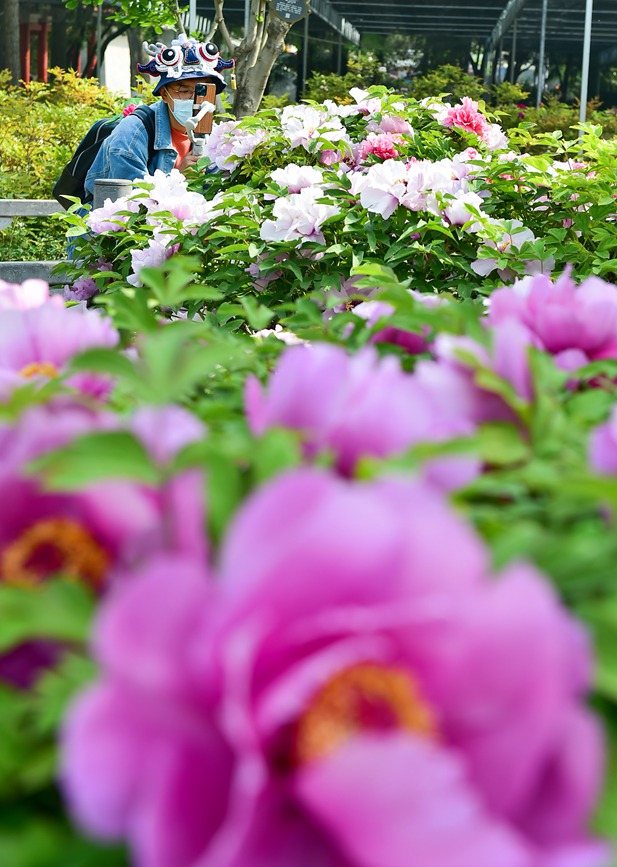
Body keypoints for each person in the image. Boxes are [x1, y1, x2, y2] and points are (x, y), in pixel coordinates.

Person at [84, 35, 234, 201]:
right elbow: (132, 203)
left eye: (202, 91)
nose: (194, 99)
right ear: (164, 94)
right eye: (184, 91)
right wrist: (178, 180)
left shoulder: (211, 135)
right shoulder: (132, 134)